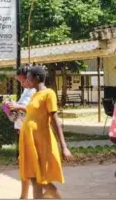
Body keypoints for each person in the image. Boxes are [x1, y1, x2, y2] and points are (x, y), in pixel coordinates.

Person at [19, 65, 74, 199]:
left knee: (40, 178)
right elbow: (32, 115)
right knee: (33, 176)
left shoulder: (49, 93)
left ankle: (56, 196)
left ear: (37, 78)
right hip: (29, 141)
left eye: (28, 77)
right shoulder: (34, 95)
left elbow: (55, 120)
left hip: (41, 141)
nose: (26, 80)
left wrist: (64, 147)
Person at [6, 64, 36, 199]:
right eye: (20, 81)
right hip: (22, 131)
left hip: (32, 133)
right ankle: (24, 196)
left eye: (23, 81)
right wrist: (11, 109)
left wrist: (18, 106)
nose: (22, 84)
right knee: (24, 163)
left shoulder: (37, 91)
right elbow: (20, 111)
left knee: (29, 164)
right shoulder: (26, 91)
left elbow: (35, 110)